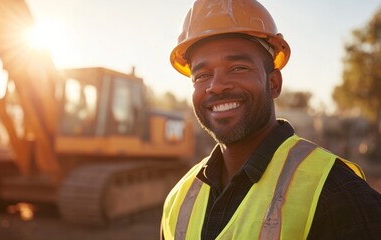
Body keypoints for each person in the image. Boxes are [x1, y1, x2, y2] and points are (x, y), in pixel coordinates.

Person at [160, 0, 381, 239]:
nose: (217, 86)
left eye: (238, 68)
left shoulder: (337, 193)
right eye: (202, 75)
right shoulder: (178, 199)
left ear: (274, 84)